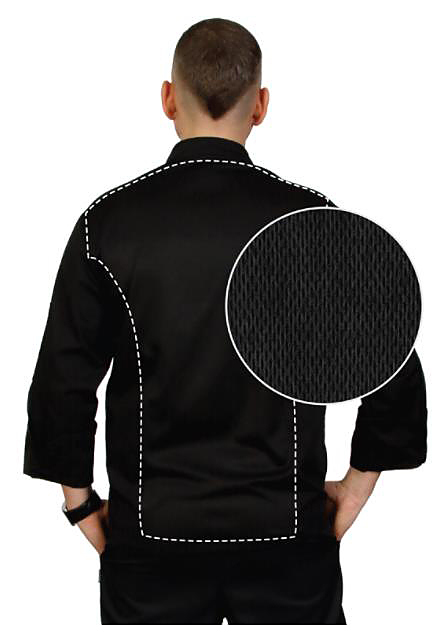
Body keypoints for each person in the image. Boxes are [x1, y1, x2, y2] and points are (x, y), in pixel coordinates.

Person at [23, 17, 427, 625]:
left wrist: (81, 506)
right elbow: (390, 364)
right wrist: (357, 485)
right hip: (287, 538)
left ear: (167, 98)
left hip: (151, 539)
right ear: (260, 106)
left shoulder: (106, 224)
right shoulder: (310, 219)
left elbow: (64, 378)